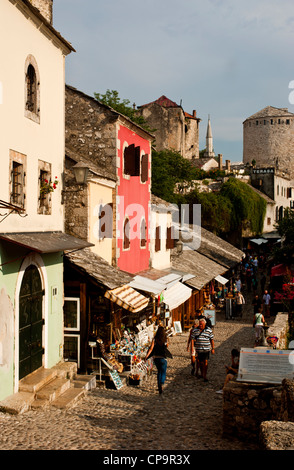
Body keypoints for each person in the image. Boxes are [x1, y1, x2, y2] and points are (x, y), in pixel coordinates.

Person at [145, 326, 170, 394]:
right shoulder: (165, 339)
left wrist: (147, 356)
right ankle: (162, 382)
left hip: (156, 358)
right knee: (163, 371)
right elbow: (167, 346)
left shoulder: (155, 339)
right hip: (163, 357)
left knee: (159, 371)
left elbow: (151, 348)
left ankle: (159, 384)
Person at [191, 318, 215, 382]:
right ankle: (201, 373)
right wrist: (192, 348)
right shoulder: (195, 330)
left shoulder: (209, 330)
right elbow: (192, 339)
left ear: (205, 324)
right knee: (200, 362)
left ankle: (205, 375)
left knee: (205, 362)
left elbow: (211, 339)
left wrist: (213, 348)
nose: (200, 325)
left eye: (201, 324)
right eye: (200, 324)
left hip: (206, 349)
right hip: (199, 349)